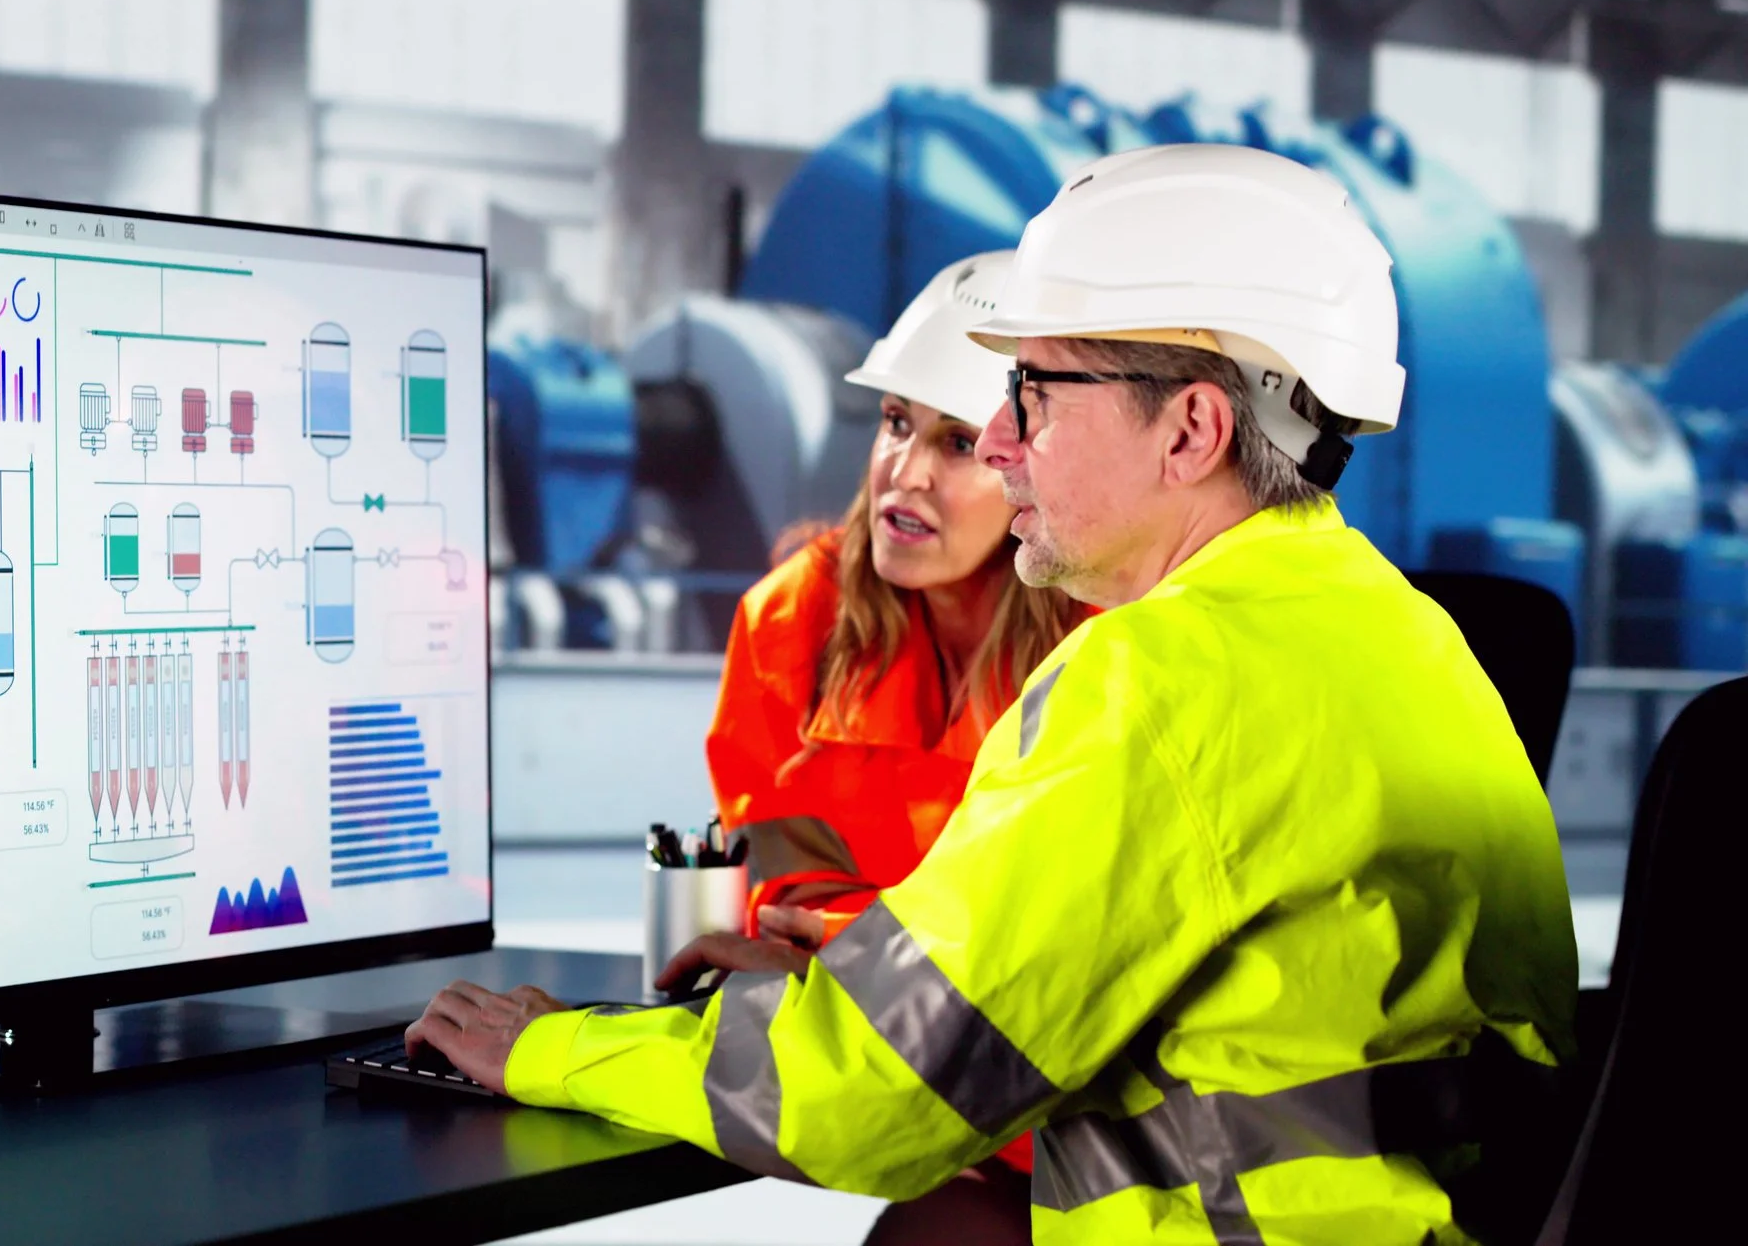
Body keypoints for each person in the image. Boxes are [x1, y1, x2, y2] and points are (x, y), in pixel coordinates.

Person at [406, 143, 1578, 1244]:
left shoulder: (1157, 675)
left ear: (1192, 428)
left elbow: (865, 1104)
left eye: (1033, 395)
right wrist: (864, 988)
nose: (1004, 445)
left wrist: (552, 1050)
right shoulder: (1404, 632)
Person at [703, 250, 1088, 1229]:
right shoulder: (792, 622)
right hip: (916, 1084)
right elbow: (780, 899)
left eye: (956, 442)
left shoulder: (1108, 647)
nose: (901, 474)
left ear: (1033, 463)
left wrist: (862, 956)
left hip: (1080, 1117)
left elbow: (1066, 965)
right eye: (892, 423)